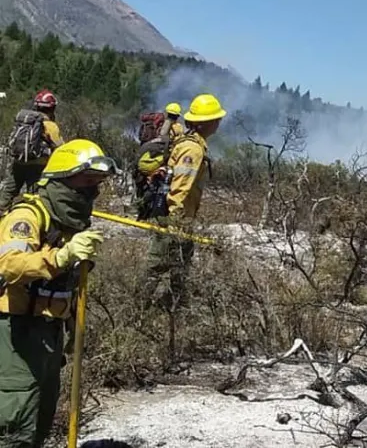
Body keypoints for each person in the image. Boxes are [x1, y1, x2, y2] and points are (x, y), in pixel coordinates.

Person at [0, 139, 116, 447]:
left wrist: (72, 328)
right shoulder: (27, 216)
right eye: (88, 181)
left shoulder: (74, 225)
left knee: (41, 418)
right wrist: (60, 258)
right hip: (16, 332)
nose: (93, 190)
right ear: (64, 178)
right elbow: (8, 265)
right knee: (14, 424)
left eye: (98, 183)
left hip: (50, 335)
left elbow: (69, 284)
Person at [144, 94, 225, 310]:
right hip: (176, 216)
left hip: (176, 215)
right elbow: (180, 188)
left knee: (179, 265)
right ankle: (138, 309)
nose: (219, 122)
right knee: (158, 264)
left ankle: (175, 307)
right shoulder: (193, 149)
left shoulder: (189, 141)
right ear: (204, 123)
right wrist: (177, 222)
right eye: (215, 118)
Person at [0, 91, 64, 212]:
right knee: (35, 196)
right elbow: (60, 148)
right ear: (52, 108)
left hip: (18, 162)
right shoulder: (50, 125)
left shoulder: (24, 121)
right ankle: (31, 219)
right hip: (37, 165)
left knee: (8, 191)